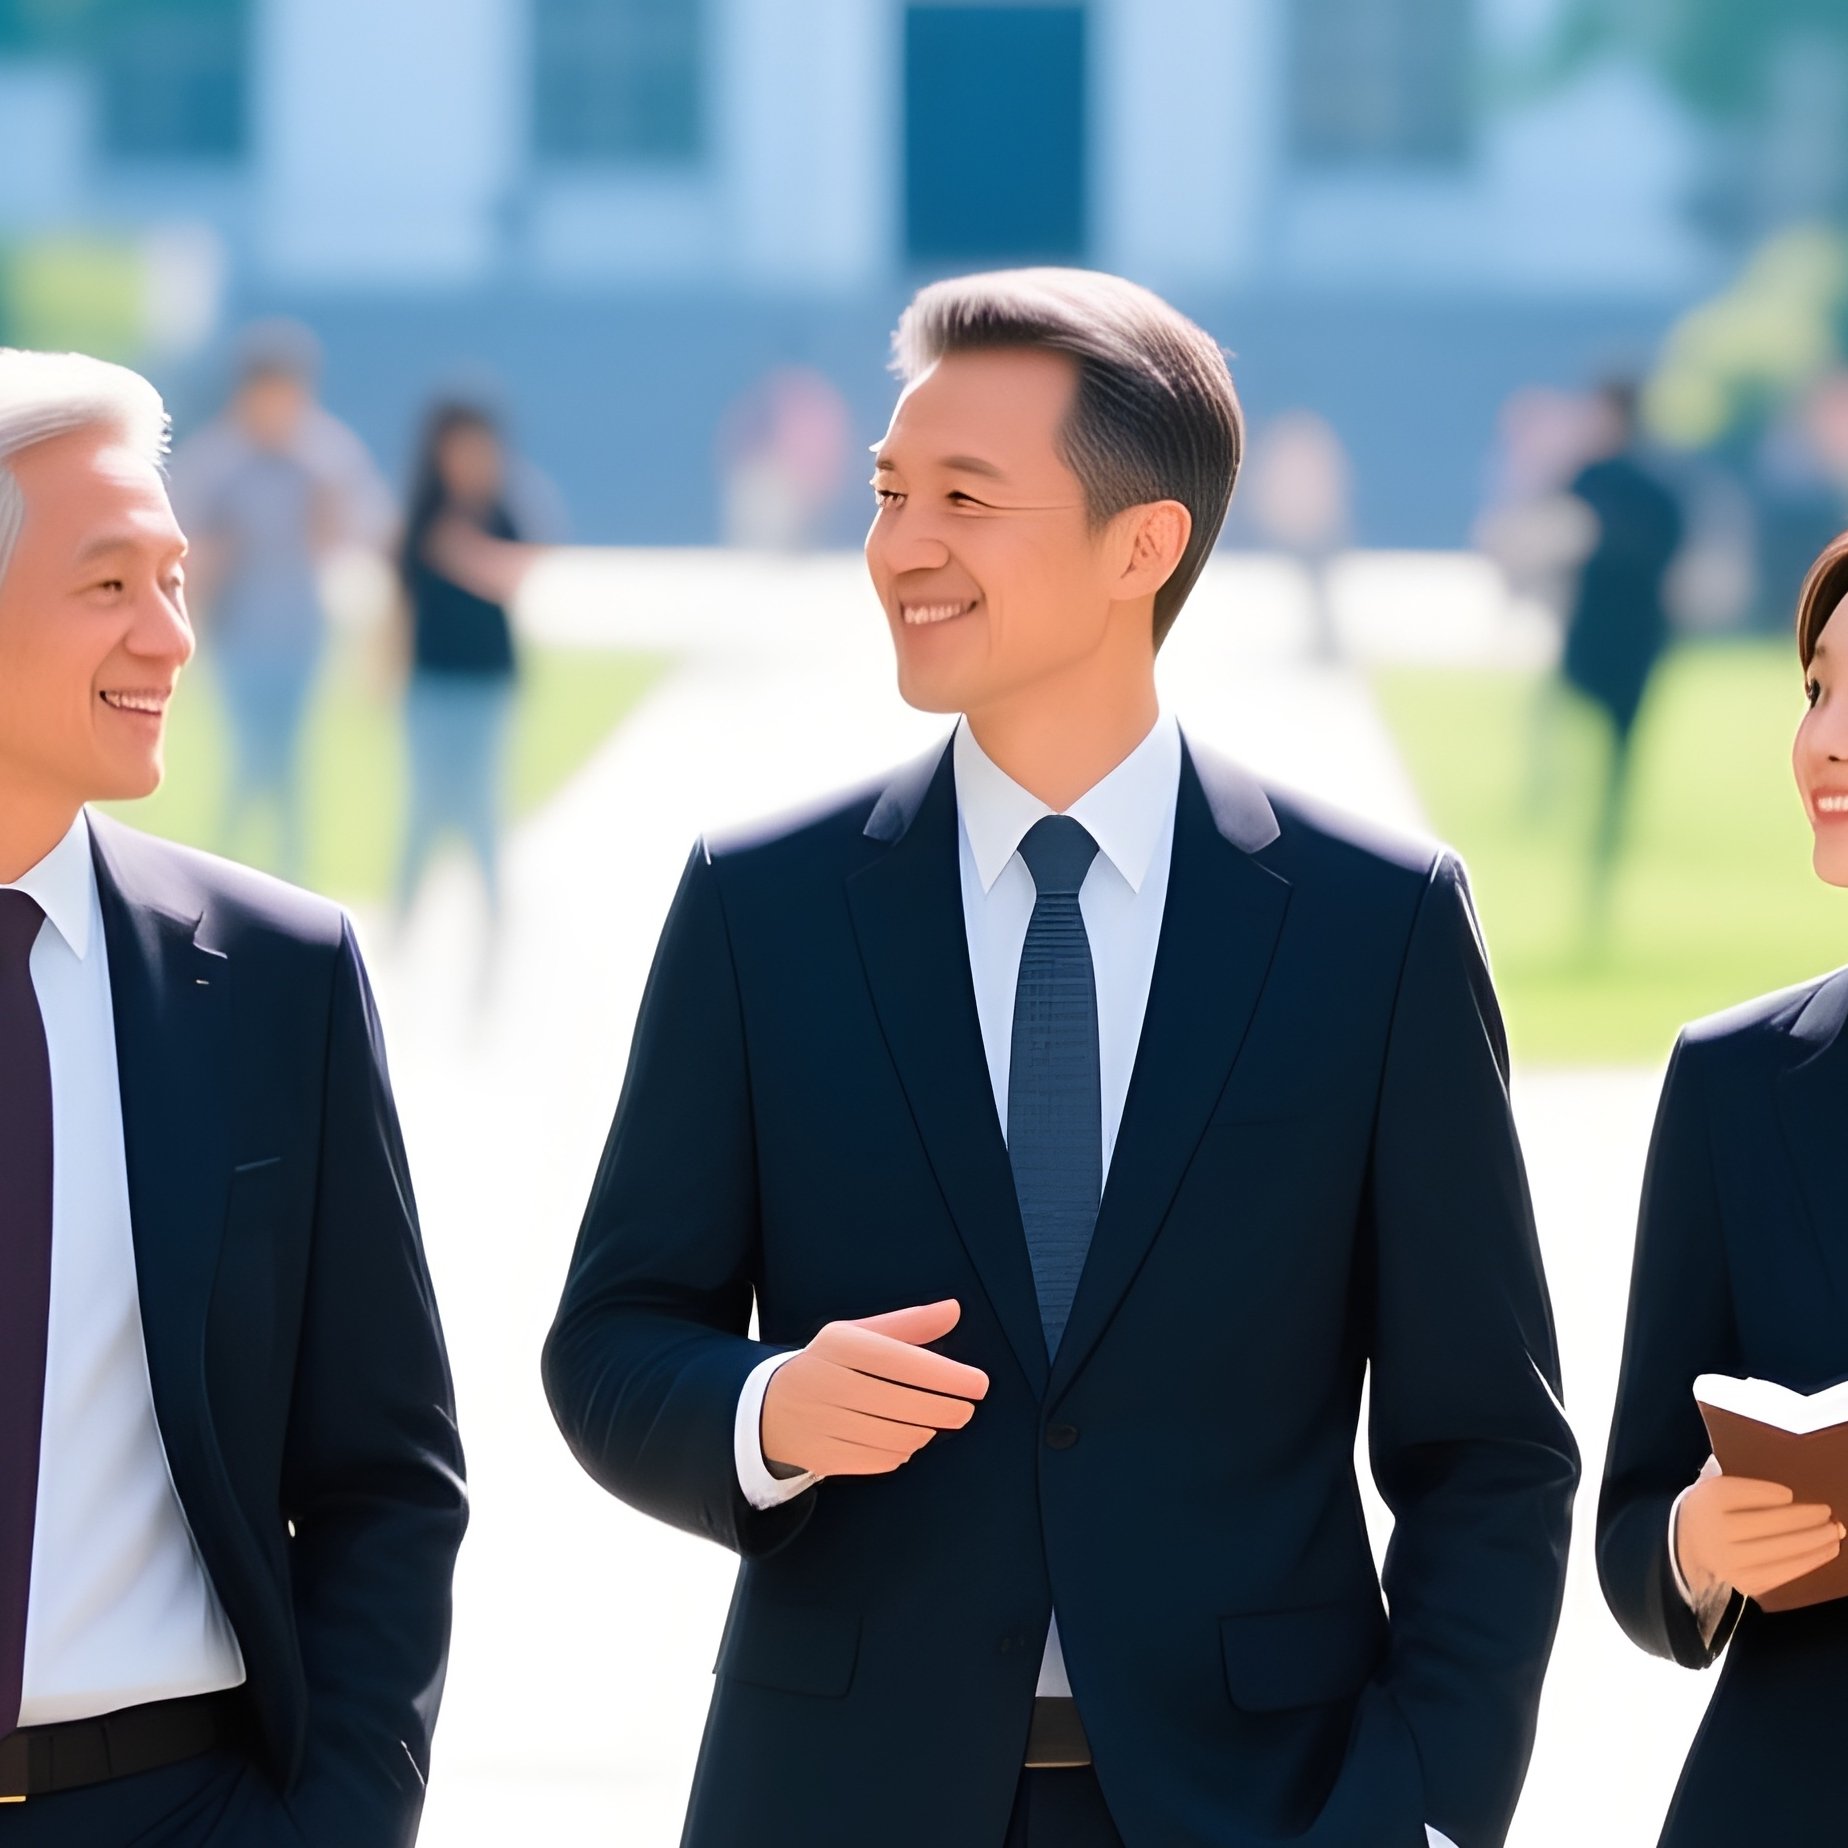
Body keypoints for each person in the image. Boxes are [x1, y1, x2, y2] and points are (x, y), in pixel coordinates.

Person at [543, 269, 1577, 1848]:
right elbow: (614, 1338)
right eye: (890, 492)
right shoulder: (763, 909)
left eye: (966, 498)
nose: (901, 546)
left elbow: (1488, 1450)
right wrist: (767, 1412)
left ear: (1143, 545)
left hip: (1268, 1808)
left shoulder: (1378, 928)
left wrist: (1423, 1812)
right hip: (838, 1802)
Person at [0, 348, 465, 1842]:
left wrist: (338, 1823)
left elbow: (386, 1481)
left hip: (176, 1809)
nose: (173, 636)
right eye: (109, 584)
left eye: (175, 580)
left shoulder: (277, 978)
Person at [1598, 527, 1848, 1844]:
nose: (1824, 743)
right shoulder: (1734, 1083)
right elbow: (1635, 1522)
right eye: (1816, 689)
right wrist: (1700, 1543)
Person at [168, 319, 394, 881]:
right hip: (239, 633)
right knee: (250, 758)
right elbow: (176, 544)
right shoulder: (217, 460)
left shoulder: (325, 457)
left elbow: (372, 529)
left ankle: (289, 881)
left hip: (301, 632)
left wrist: (331, 526)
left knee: (292, 764)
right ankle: (222, 876)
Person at [393, 398, 544, 953]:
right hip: (430, 679)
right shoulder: (421, 516)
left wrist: (464, 554)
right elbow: (401, 602)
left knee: (482, 803)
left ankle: (495, 919)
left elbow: (521, 570)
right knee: (425, 805)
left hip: (487, 678)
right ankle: (403, 919)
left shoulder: (502, 508)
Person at [1553, 380, 1686, 927]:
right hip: (1614, 636)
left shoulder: (1608, 483)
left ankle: (1599, 857)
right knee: (1593, 751)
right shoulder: (1606, 480)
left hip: (1621, 636)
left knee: (1608, 756)